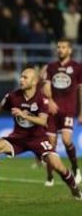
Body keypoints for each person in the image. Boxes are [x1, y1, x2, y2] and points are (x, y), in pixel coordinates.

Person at [0, 67, 82, 200]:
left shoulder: (42, 99)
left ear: (34, 82)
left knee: (57, 165)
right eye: (21, 76)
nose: (21, 79)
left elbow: (43, 121)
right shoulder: (13, 96)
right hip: (19, 138)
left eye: (25, 77)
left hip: (38, 139)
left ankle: (74, 188)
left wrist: (24, 116)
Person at [42, 38, 82, 186]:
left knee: (66, 140)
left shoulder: (77, 68)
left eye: (63, 47)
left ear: (70, 50)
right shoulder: (51, 67)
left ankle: (76, 169)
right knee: (50, 144)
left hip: (68, 110)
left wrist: (81, 113)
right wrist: (50, 100)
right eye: (59, 47)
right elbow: (46, 86)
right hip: (52, 111)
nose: (60, 50)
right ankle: (49, 176)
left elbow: (81, 91)